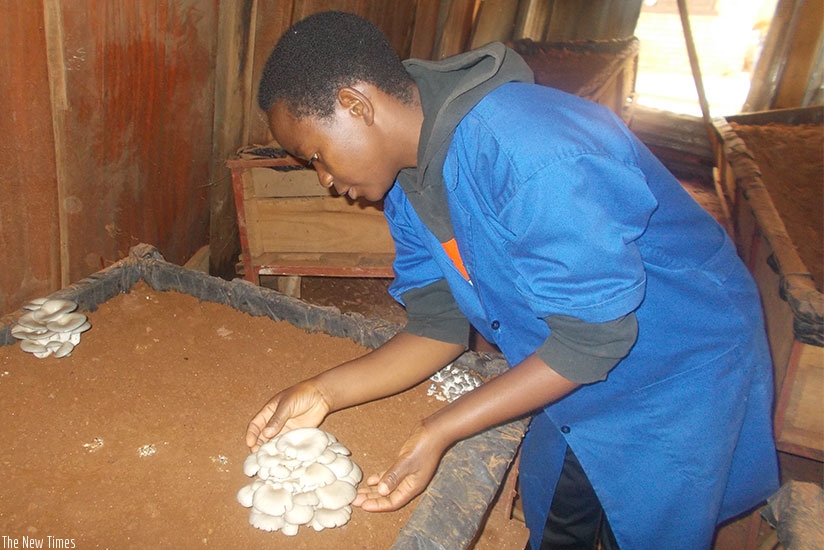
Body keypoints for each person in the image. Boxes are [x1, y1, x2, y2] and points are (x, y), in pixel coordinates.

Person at [245, 11, 779, 549]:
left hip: (676, 362)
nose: (327, 181)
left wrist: (443, 427)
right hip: (565, 355)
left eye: (317, 156)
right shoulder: (408, 186)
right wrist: (322, 391)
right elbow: (438, 324)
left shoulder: (532, 154)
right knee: (560, 506)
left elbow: (594, 340)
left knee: (648, 520)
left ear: (355, 104)